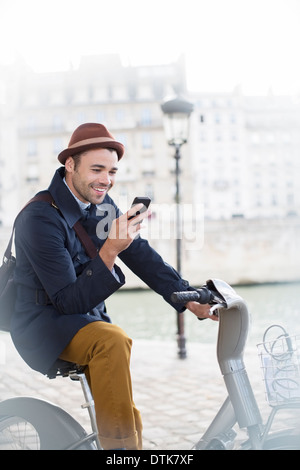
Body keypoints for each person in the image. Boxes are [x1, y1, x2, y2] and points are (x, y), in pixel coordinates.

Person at [11, 122, 217, 450]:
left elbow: (141, 255)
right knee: (112, 342)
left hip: (84, 317)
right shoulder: (39, 218)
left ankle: (127, 448)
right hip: (41, 324)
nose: (106, 180)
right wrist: (109, 250)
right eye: (97, 169)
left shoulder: (102, 206)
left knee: (123, 405)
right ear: (70, 165)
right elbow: (66, 300)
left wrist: (186, 298)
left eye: (112, 171)